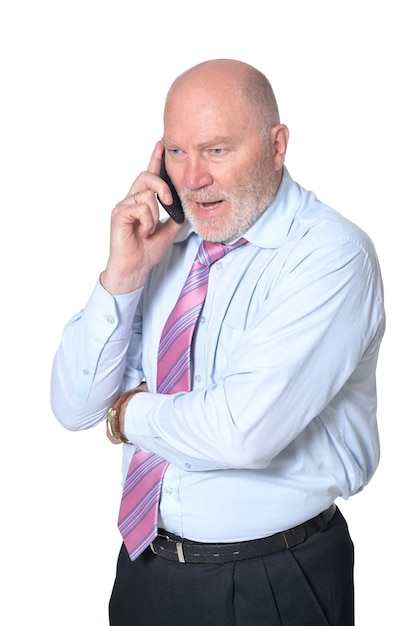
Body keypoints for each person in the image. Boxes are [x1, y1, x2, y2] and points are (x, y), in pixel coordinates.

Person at [50, 58, 385, 626]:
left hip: (273, 581)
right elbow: (72, 405)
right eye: (176, 152)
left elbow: (239, 432)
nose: (193, 177)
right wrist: (123, 277)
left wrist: (128, 414)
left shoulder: (329, 256)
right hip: (145, 570)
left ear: (277, 145)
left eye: (217, 151)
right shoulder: (163, 247)